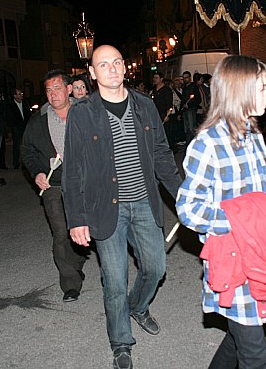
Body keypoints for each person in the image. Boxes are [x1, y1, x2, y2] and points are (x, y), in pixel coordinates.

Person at [175, 55, 266, 369]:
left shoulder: (255, 136)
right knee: (254, 354)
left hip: (259, 255)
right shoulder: (207, 144)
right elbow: (188, 210)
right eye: (262, 88)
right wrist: (239, 222)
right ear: (238, 90)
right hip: (233, 260)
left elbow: (265, 209)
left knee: (239, 338)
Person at [62, 44, 182, 369]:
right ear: (92, 73)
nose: (112, 68)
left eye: (117, 62)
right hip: (105, 208)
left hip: (144, 202)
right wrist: (76, 218)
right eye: (104, 64)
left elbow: (161, 155)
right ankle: (121, 343)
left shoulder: (145, 105)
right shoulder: (82, 113)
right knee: (114, 281)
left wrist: (183, 196)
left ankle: (138, 307)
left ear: (124, 67)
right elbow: (72, 170)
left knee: (156, 268)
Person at [21, 70, 87, 302]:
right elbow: (27, 150)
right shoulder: (38, 120)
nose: (53, 94)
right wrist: (37, 173)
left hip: (86, 183)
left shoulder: (86, 112)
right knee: (60, 232)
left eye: (57, 88)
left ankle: (77, 262)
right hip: (55, 185)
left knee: (88, 229)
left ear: (69, 89)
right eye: (48, 90)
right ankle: (70, 283)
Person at [6, 88, 31, 169]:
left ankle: (26, 163)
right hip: (16, 129)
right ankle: (16, 163)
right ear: (15, 96)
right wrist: (13, 128)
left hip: (25, 128)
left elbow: (28, 114)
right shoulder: (10, 105)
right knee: (17, 146)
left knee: (26, 146)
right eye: (19, 94)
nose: (21, 95)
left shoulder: (25, 103)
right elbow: (9, 118)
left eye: (21, 94)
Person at [181, 70, 201, 144]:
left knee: (192, 127)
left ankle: (195, 143)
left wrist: (189, 105)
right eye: (183, 78)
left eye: (186, 78)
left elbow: (198, 99)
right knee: (187, 128)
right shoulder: (184, 87)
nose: (185, 79)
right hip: (185, 110)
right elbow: (183, 99)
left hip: (191, 109)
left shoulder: (194, 87)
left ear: (190, 78)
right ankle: (189, 143)